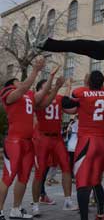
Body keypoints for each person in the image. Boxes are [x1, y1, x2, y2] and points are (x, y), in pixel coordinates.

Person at [0, 58, 47, 220]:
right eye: (18, 81)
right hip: (15, 141)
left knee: (24, 176)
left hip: (28, 141)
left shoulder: (27, 96)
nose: (21, 83)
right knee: (8, 176)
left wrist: (53, 83)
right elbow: (23, 88)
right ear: (12, 84)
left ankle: (16, 208)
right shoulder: (8, 93)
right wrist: (35, 71)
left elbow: (40, 95)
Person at [32, 76, 79, 216]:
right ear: (41, 89)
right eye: (46, 85)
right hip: (43, 138)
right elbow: (43, 104)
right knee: (39, 172)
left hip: (57, 138)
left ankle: (68, 200)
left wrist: (84, 103)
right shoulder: (38, 99)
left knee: (66, 167)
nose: (50, 86)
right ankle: (35, 204)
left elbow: (72, 111)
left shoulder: (58, 98)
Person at [73, 71, 104, 220]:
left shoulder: (80, 92)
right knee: (96, 180)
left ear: (88, 82)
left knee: (82, 182)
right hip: (101, 142)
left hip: (86, 141)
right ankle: (101, 214)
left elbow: (72, 104)